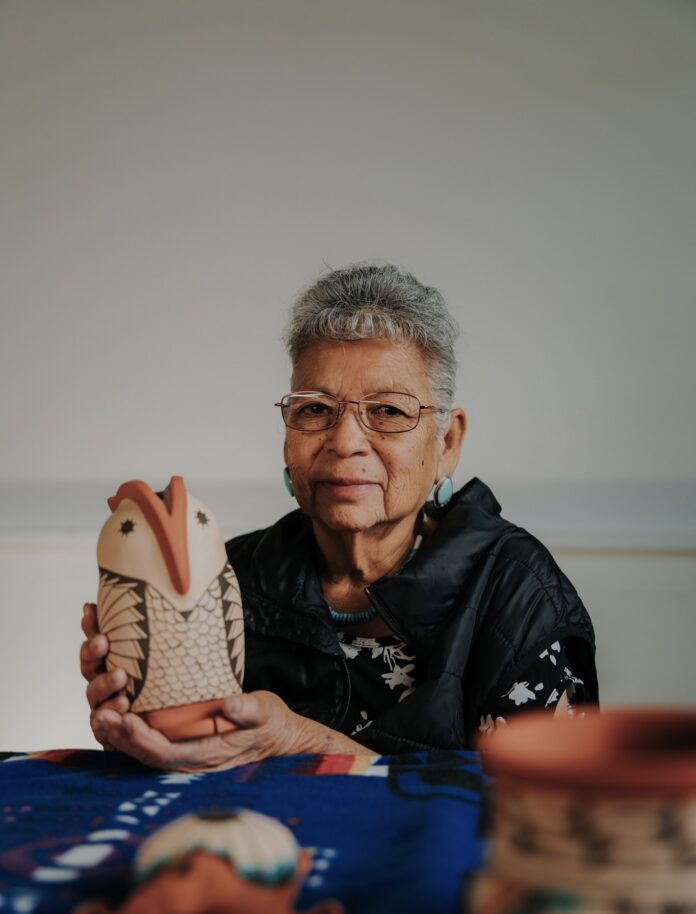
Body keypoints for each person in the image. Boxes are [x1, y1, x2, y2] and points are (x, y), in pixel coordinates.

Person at [81, 262, 598, 771]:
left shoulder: (518, 591)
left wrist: (296, 740)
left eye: (389, 411)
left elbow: (548, 818)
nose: (346, 441)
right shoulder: (230, 574)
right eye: (314, 409)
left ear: (447, 443)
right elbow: (191, 773)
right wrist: (143, 735)